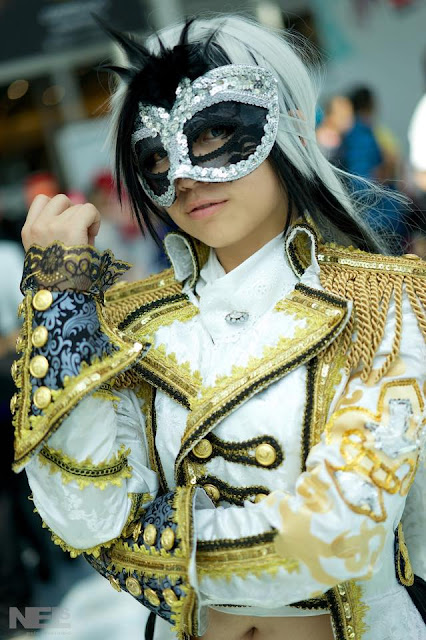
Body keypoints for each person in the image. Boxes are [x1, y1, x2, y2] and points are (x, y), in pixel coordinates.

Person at [11, 15, 425, 640]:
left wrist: (144, 546)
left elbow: (336, 533)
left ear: (285, 127)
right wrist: (59, 294)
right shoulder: (131, 326)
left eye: (213, 133)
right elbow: (84, 512)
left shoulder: (383, 304)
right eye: (156, 155)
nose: (183, 175)